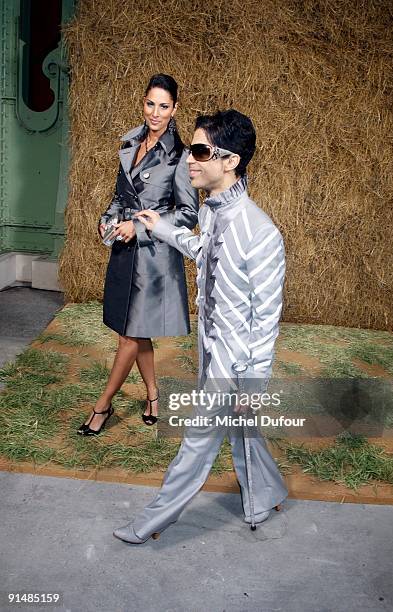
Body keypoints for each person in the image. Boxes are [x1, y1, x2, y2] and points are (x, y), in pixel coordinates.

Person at [113, 109, 288, 544]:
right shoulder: (212, 214)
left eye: (201, 151)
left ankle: (152, 521)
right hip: (210, 347)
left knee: (198, 439)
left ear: (230, 161)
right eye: (191, 149)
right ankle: (267, 493)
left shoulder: (261, 232)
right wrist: (165, 229)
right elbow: (206, 253)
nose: (189, 159)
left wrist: (253, 387)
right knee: (242, 428)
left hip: (234, 362)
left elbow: (266, 320)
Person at [77, 74, 199, 435]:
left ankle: (102, 407)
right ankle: (153, 395)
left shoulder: (181, 155)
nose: (155, 113)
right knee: (133, 332)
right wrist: (107, 221)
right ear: (143, 102)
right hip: (124, 250)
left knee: (130, 336)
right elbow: (120, 198)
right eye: (150, 104)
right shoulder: (131, 142)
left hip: (153, 259)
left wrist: (143, 226)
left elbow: (188, 214)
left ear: (175, 109)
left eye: (164, 106)